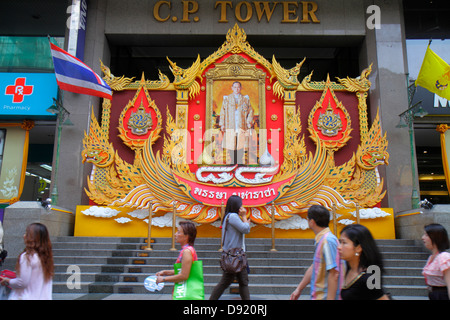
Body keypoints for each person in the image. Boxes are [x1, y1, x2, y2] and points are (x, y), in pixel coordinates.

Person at [290, 205, 342, 300]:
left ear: (312, 222)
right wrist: (299, 289)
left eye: (308, 219)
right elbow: (314, 266)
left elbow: (334, 273)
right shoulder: (322, 240)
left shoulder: (327, 241)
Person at [210, 195, 251, 300]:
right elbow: (246, 229)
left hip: (233, 255)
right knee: (231, 282)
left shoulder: (228, 216)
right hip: (236, 256)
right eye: (240, 205)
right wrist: (244, 217)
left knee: (242, 281)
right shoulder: (233, 216)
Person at [0, 223, 54, 300]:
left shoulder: (27, 257)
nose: (24, 235)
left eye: (27, 233)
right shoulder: (46, 257)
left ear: (32, 238)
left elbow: (22, 283)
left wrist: (7, 280)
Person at [338, 224, 390, 300]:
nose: (339, 247)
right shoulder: (348, 269)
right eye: (340, 242)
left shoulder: (368, 278)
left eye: (344, 243)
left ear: (358, 248)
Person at [219, 81, 254, 164]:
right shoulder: (227, 99)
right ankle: (232, 161)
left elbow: (250, 111)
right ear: (232, 88)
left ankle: (239, 161)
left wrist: (249, 121)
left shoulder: (245, 99)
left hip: (241, 125)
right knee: (231, 144)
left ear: (241, 88)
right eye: (235, 87)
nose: (236, 89)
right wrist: (222, 124)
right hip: (230, 124)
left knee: (240, 143)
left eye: (238, 87)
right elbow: (222, 112)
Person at [422, 223, 450, 300]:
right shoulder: (431, 257)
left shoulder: (444, 257)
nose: (423, 238)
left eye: (426, 235)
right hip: (433, 294)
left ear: (436, 237)